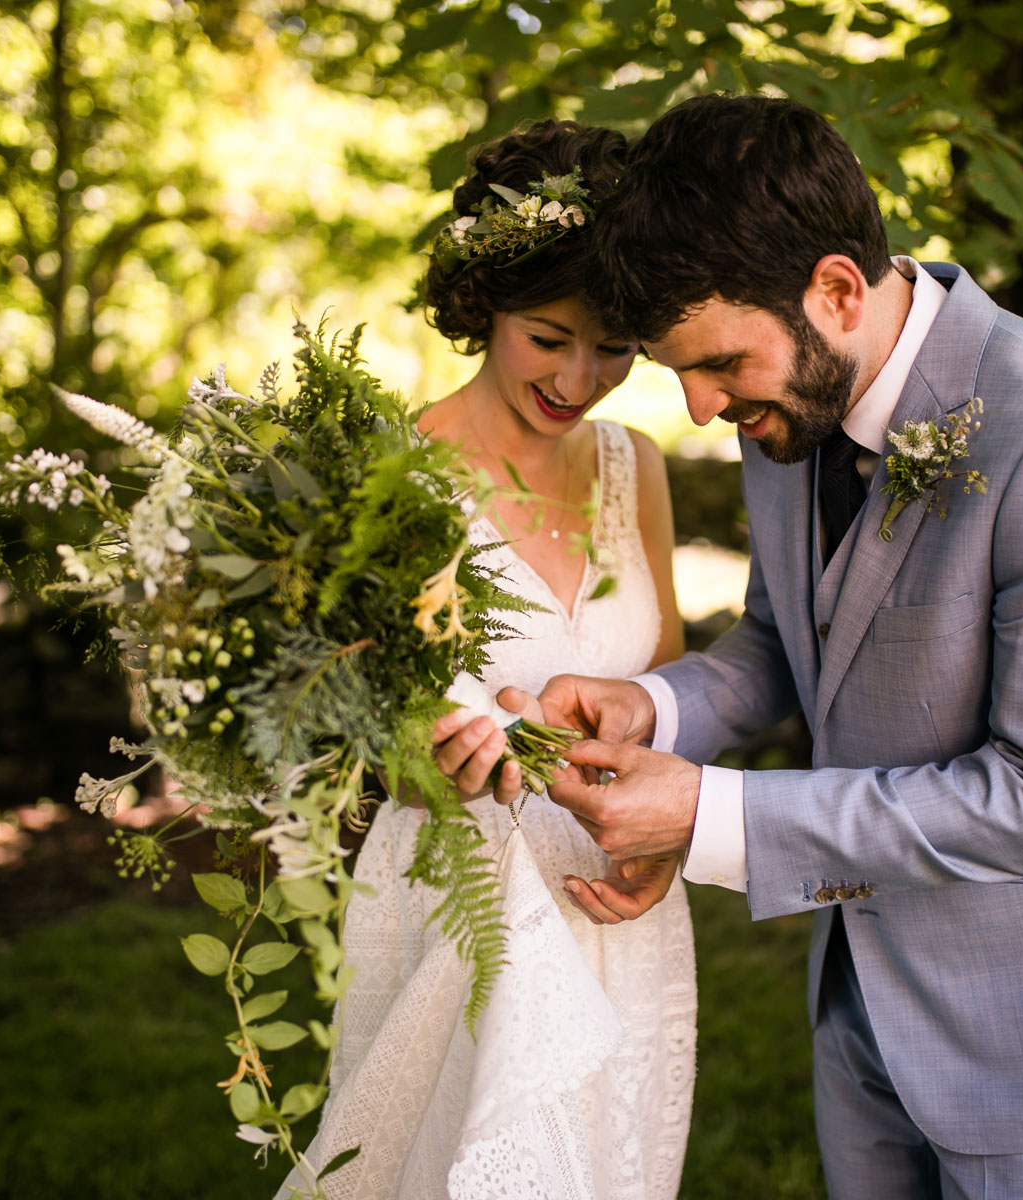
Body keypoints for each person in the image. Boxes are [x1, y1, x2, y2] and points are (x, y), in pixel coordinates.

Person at [497, 94, 1023, 1198]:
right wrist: (656, 707)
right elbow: (788, 640)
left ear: (835, 290)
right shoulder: (788, 404)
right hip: (858, 1000)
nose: (699, 408)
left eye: (719, 364)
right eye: (679, 373)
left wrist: (711, 815)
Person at [277, 120, 695, 1200]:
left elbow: (670, 687)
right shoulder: (396, 471)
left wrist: (666, 832)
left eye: (615, 347)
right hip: (459, 904)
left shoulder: (636, 468)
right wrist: (424, 751)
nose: (580, 378)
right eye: (549, 337)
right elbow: (353, 722)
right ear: (481, 303)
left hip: (618, 898)